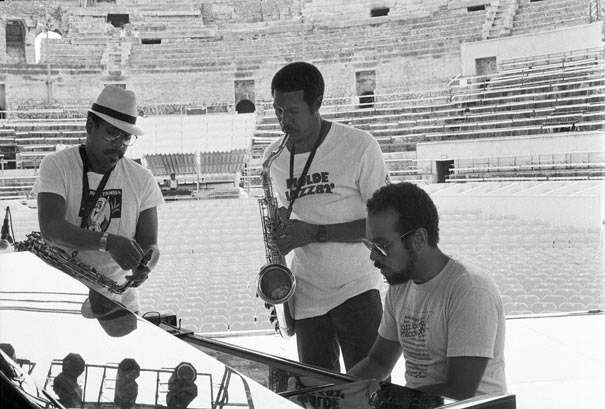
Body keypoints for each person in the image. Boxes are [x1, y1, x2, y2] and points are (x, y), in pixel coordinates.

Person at [265, 61, 390, 372]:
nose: (283, 121)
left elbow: (385, 225)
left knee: (368, 393)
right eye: (278, 110)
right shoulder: (274, 158)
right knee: (316, 394)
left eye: (292, 111)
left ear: (317, 104)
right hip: (306, 294)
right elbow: (291, 214)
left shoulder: (359, 146)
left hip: (357, 288)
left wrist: (315, 233)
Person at [348, 182, 507, 400]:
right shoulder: (400, 286)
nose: (373, 257)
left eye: (382, 246)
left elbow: (459, 390)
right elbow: (379, 362)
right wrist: (332, 390)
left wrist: (386, 402)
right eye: (370, 246)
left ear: (419, 239)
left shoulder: (470, 289)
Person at [33, 85, 163, 313]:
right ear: (90, 126)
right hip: (63, 298)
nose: (120, 144)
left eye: (126, 137)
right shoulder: (56, 165)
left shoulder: (142, 178)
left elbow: (149, 243)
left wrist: (147, 264)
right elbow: (51, 229)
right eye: (113, 133)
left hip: (120, 301)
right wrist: (108, 241)